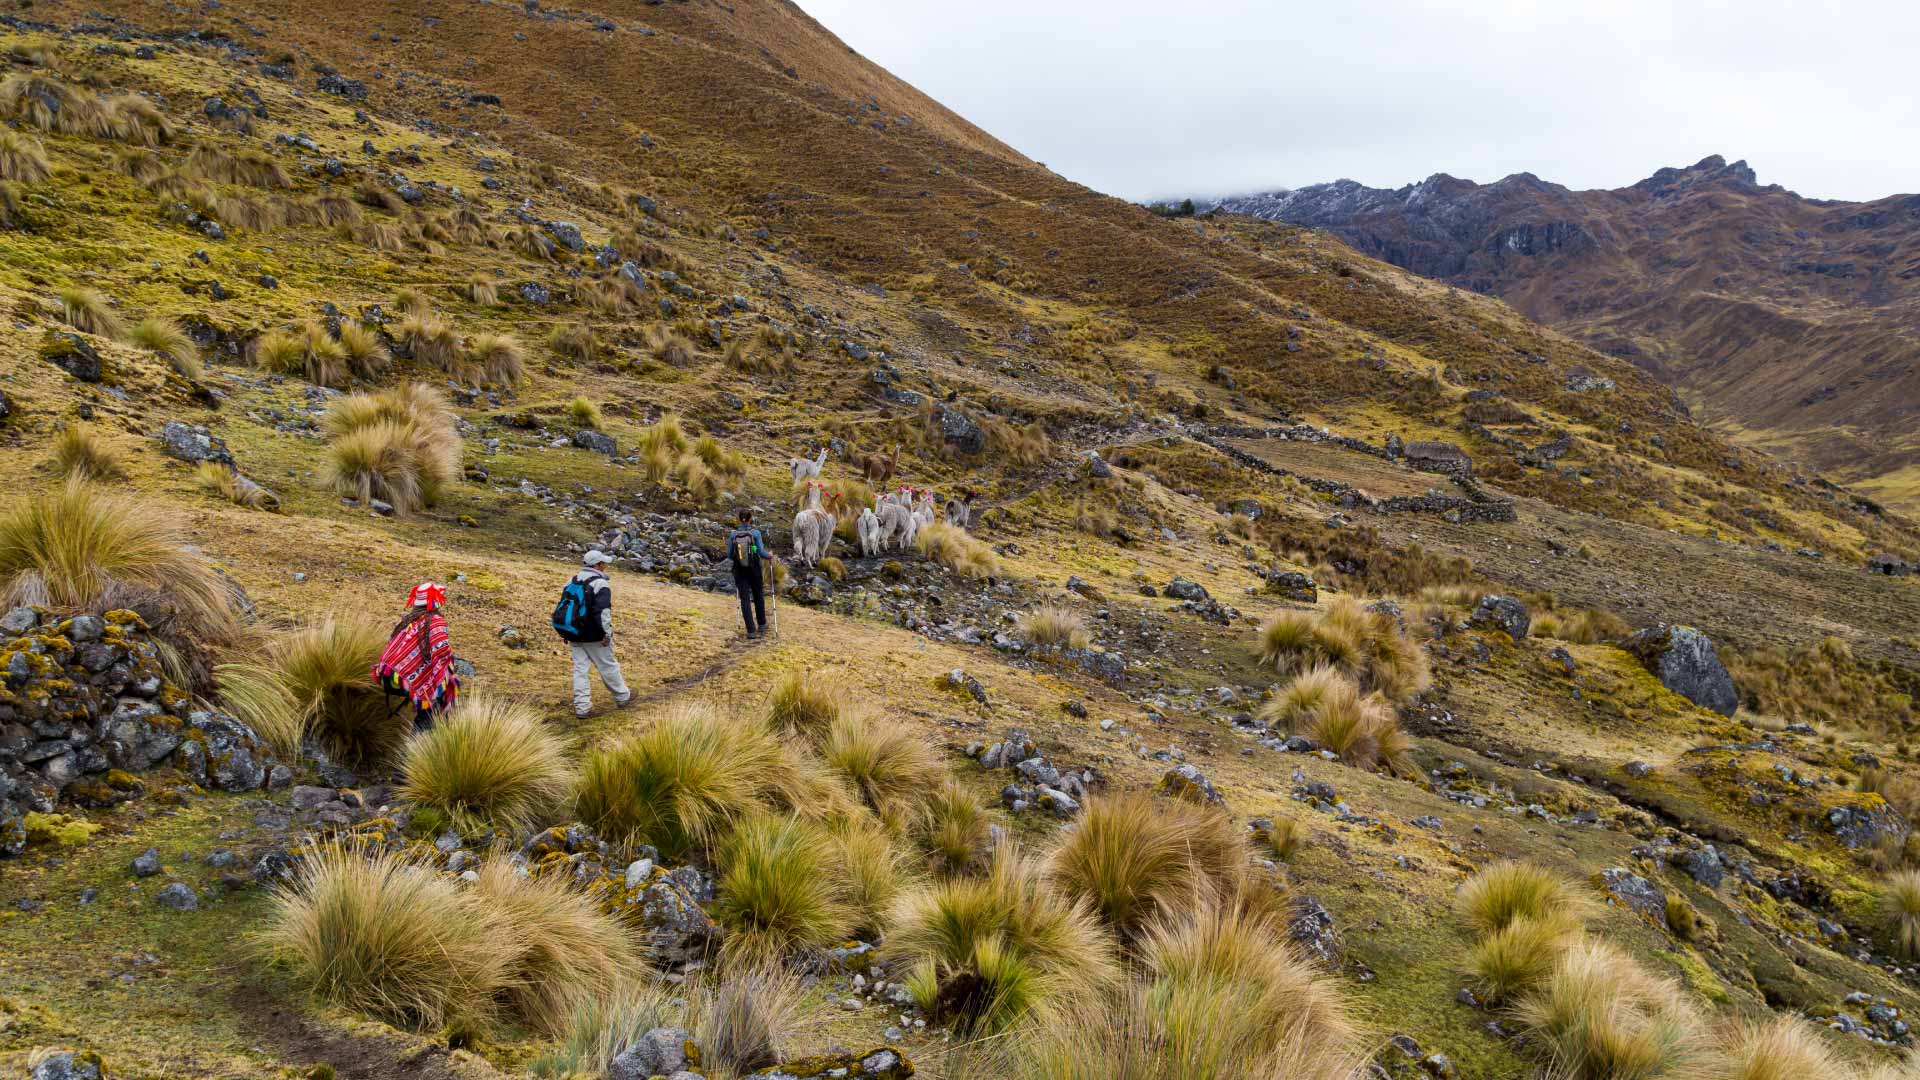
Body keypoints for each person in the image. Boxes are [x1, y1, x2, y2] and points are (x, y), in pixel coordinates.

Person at [552, 550, 633, 718]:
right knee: (608, 665)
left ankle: (582, 708)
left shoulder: (571, 580)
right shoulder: (600, 584)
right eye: (603, 563)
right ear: (597, 565)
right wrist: (606, 634)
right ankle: (623, 697)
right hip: (594, 635)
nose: (605, 565)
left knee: (580, 670)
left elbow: (565, 608)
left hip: (574, 633)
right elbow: (602, 612)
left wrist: (566, 633)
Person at [373, 582, 459, 731]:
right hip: (410, 677)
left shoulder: (407, 619)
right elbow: (442, 652)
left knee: (437, 684)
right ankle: (419, 745)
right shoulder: (435, 621)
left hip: (391, 673)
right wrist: (448, 669)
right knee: (435, 699)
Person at [727, 507, 769, 637]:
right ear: (751, 519)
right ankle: (762, 624)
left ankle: (751, 631)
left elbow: (729, 555)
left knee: (745, 599)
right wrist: (770, 555)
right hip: (754, 568)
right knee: (758, 595)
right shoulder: (755, 533)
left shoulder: (733, 534)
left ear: (739, 519)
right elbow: (762, 553)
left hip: (739, 570)